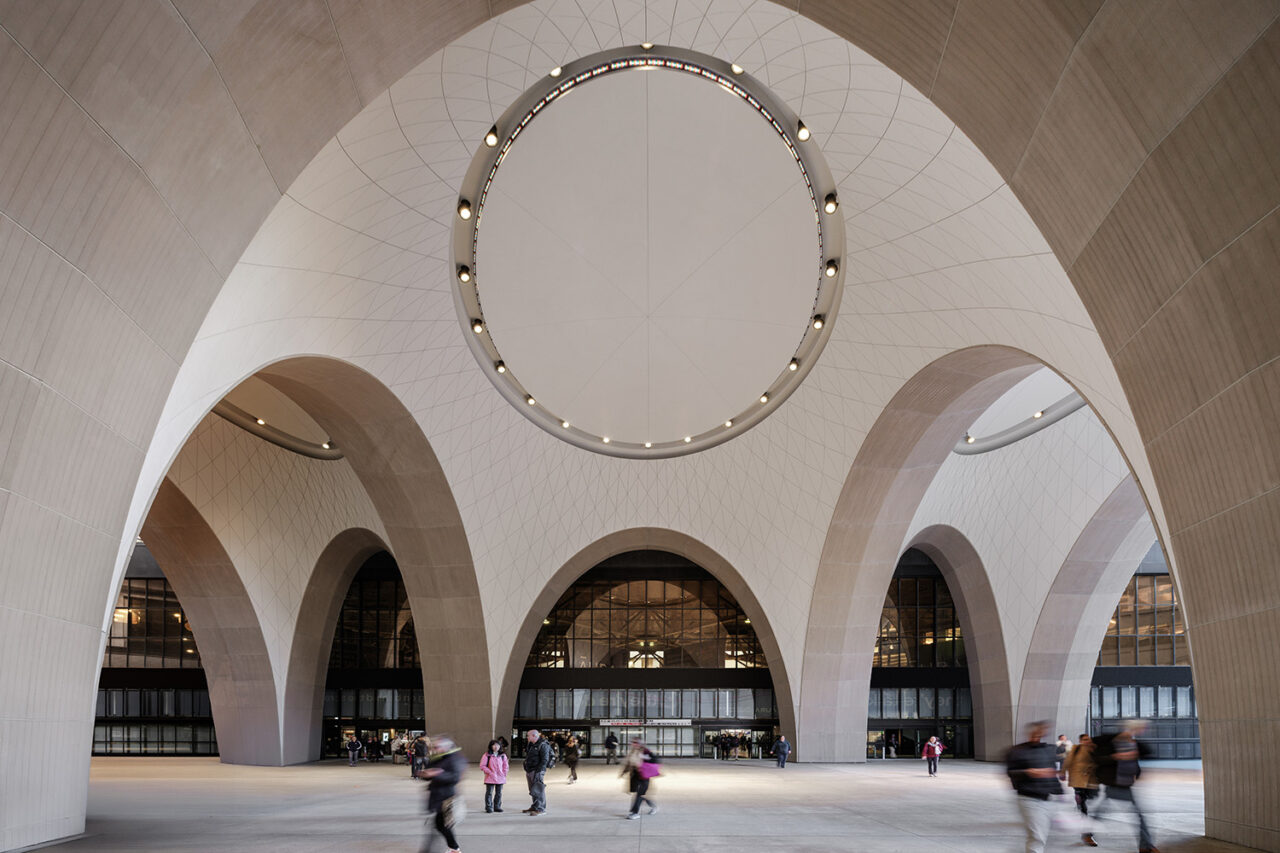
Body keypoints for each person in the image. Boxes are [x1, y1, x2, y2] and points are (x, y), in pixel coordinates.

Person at [1090, 721, 1158, 853]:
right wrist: (1115, 757)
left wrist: (1136, 770)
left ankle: (1087, 831)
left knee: (1101, 812)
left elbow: (1147, 752)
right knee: (1139, 816)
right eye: (1138, 728)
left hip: (1125, 783)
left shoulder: (1133, 743)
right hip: (1114, 783)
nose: (1141, 731)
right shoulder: (1111, 742)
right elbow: (1098, 759)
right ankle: (1146, 846)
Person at [1006, 721, 1064, 853]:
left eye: (1041, 732)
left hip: (1047, 798)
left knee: (1041, 835)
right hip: (1028, 798)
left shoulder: (1048, 750)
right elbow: (1011, 773)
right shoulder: (1017, 751)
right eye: (1035, 732)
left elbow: (1053, 770)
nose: (1038, 735)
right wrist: (1028, 772)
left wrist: (1058, 789)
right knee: (1037, 836)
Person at [419, 736, 467, 853]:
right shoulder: (436, 758)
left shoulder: (455, 758)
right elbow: (428, 774)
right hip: (436, 796)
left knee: (440, 824)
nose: (434, 749)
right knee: (441, 825)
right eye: (434, 746)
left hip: (446, 798)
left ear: (446, 746)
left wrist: (437, 774)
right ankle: (453, 847)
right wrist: (425, 774)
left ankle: (453, 848)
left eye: (437, 747)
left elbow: (455, 777)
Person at [1065, 733, 1099, 846]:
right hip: (1078, 780)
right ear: (1080, 741)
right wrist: (1062, 772)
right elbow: (1068, 761)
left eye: (1088, 739)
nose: (1086, 741)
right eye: (1084, 740)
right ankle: (1087, 834)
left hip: (1091, 781)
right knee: (1083, 807)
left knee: (1093, 801)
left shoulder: (1094, 749)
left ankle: (1086, 826)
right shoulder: (1075, 749)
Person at [621, 738, 659, 819]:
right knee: (641, 794)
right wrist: (624, 771)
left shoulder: (646, 751)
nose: (633, 744)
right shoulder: (632, 751)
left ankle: (635, 813)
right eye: (633, 742)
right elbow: (629, 762)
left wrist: (645, 757)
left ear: (640, 744)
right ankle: (653, 806)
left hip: (644, 775)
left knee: (640, 794)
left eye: (635, 742)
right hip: (635, 775)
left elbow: (656, 760)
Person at [522, 729, 553, 816]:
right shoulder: (531, 744)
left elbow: (545, 760)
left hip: (537, 771)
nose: (527, 737)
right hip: (530, 770)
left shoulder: (543, 744)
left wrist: (539, 771)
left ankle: (541, 809)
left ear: (534, 736)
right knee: (533, 789)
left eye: (528, 736)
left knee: (539, 789)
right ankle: (535, 806)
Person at [479, 739, 508, 814]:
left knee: (499, 793)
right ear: (491, 746)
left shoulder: (502, 755)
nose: (496, 747)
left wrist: (504, 773)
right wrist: (490, 772)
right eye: (494, 745)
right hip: (490, 777)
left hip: (500, 777)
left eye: (498, 745)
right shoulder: (487, 755)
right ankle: (489, 807)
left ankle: (497, 806)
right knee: (489, 793)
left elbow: (505, 766)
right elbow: (482, 766)